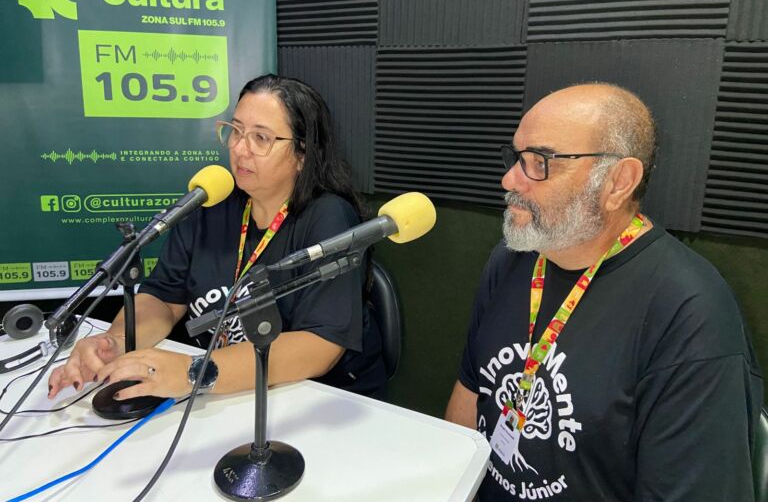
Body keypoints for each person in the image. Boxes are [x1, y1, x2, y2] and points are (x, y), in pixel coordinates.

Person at [445, 83, 763, 501]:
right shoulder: (512, 259)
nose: (510, 179)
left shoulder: (689, 311)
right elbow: (470, 395)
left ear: (618, 181)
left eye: (539, 161)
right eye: (515, 158)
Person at [48, 74, 385, 401]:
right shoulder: (210, 203)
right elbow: (164, 298)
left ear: (302, 153)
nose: (240, 149)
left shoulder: (328, 217)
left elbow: (319, 346)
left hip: (316, 397)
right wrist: (117, 342)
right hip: (226, 391)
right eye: (235, 131)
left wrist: (194, 372)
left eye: (261, 138)